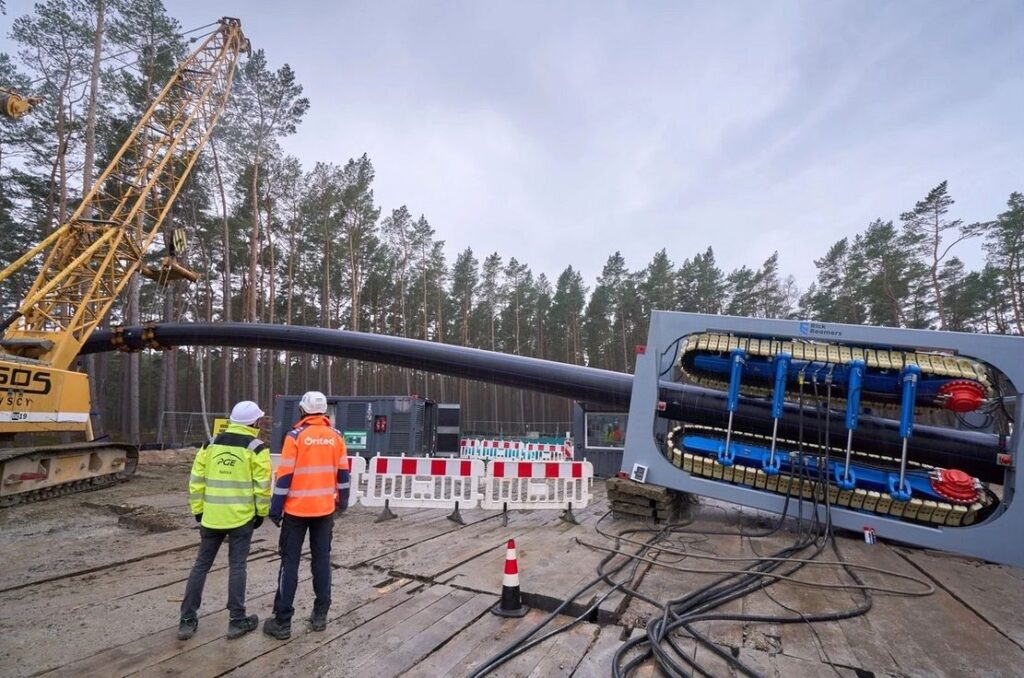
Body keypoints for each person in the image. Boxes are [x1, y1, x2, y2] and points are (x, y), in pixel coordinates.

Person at [177, 400, 271, 641]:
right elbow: (262, 487)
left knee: (201, 565)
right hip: (241, 518)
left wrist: (199, 510)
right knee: (237, 566)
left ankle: (187, 620)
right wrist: (261, 513)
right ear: (254, 422)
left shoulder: (210, 444)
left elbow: (196, 480)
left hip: (211, 517)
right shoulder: (256, 448)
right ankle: (237, 620)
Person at [263, 391, 350, 640]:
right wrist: (342, 502)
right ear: (324, 412)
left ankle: (282, 622)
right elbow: (343, 474)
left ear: (302, 410)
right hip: (324, 510)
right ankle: (320, 615)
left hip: (296, 511)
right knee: (321, 561)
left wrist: (276, 508)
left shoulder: (295, 436)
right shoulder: (336, 436)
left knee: (289, 563)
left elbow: (284, 477)